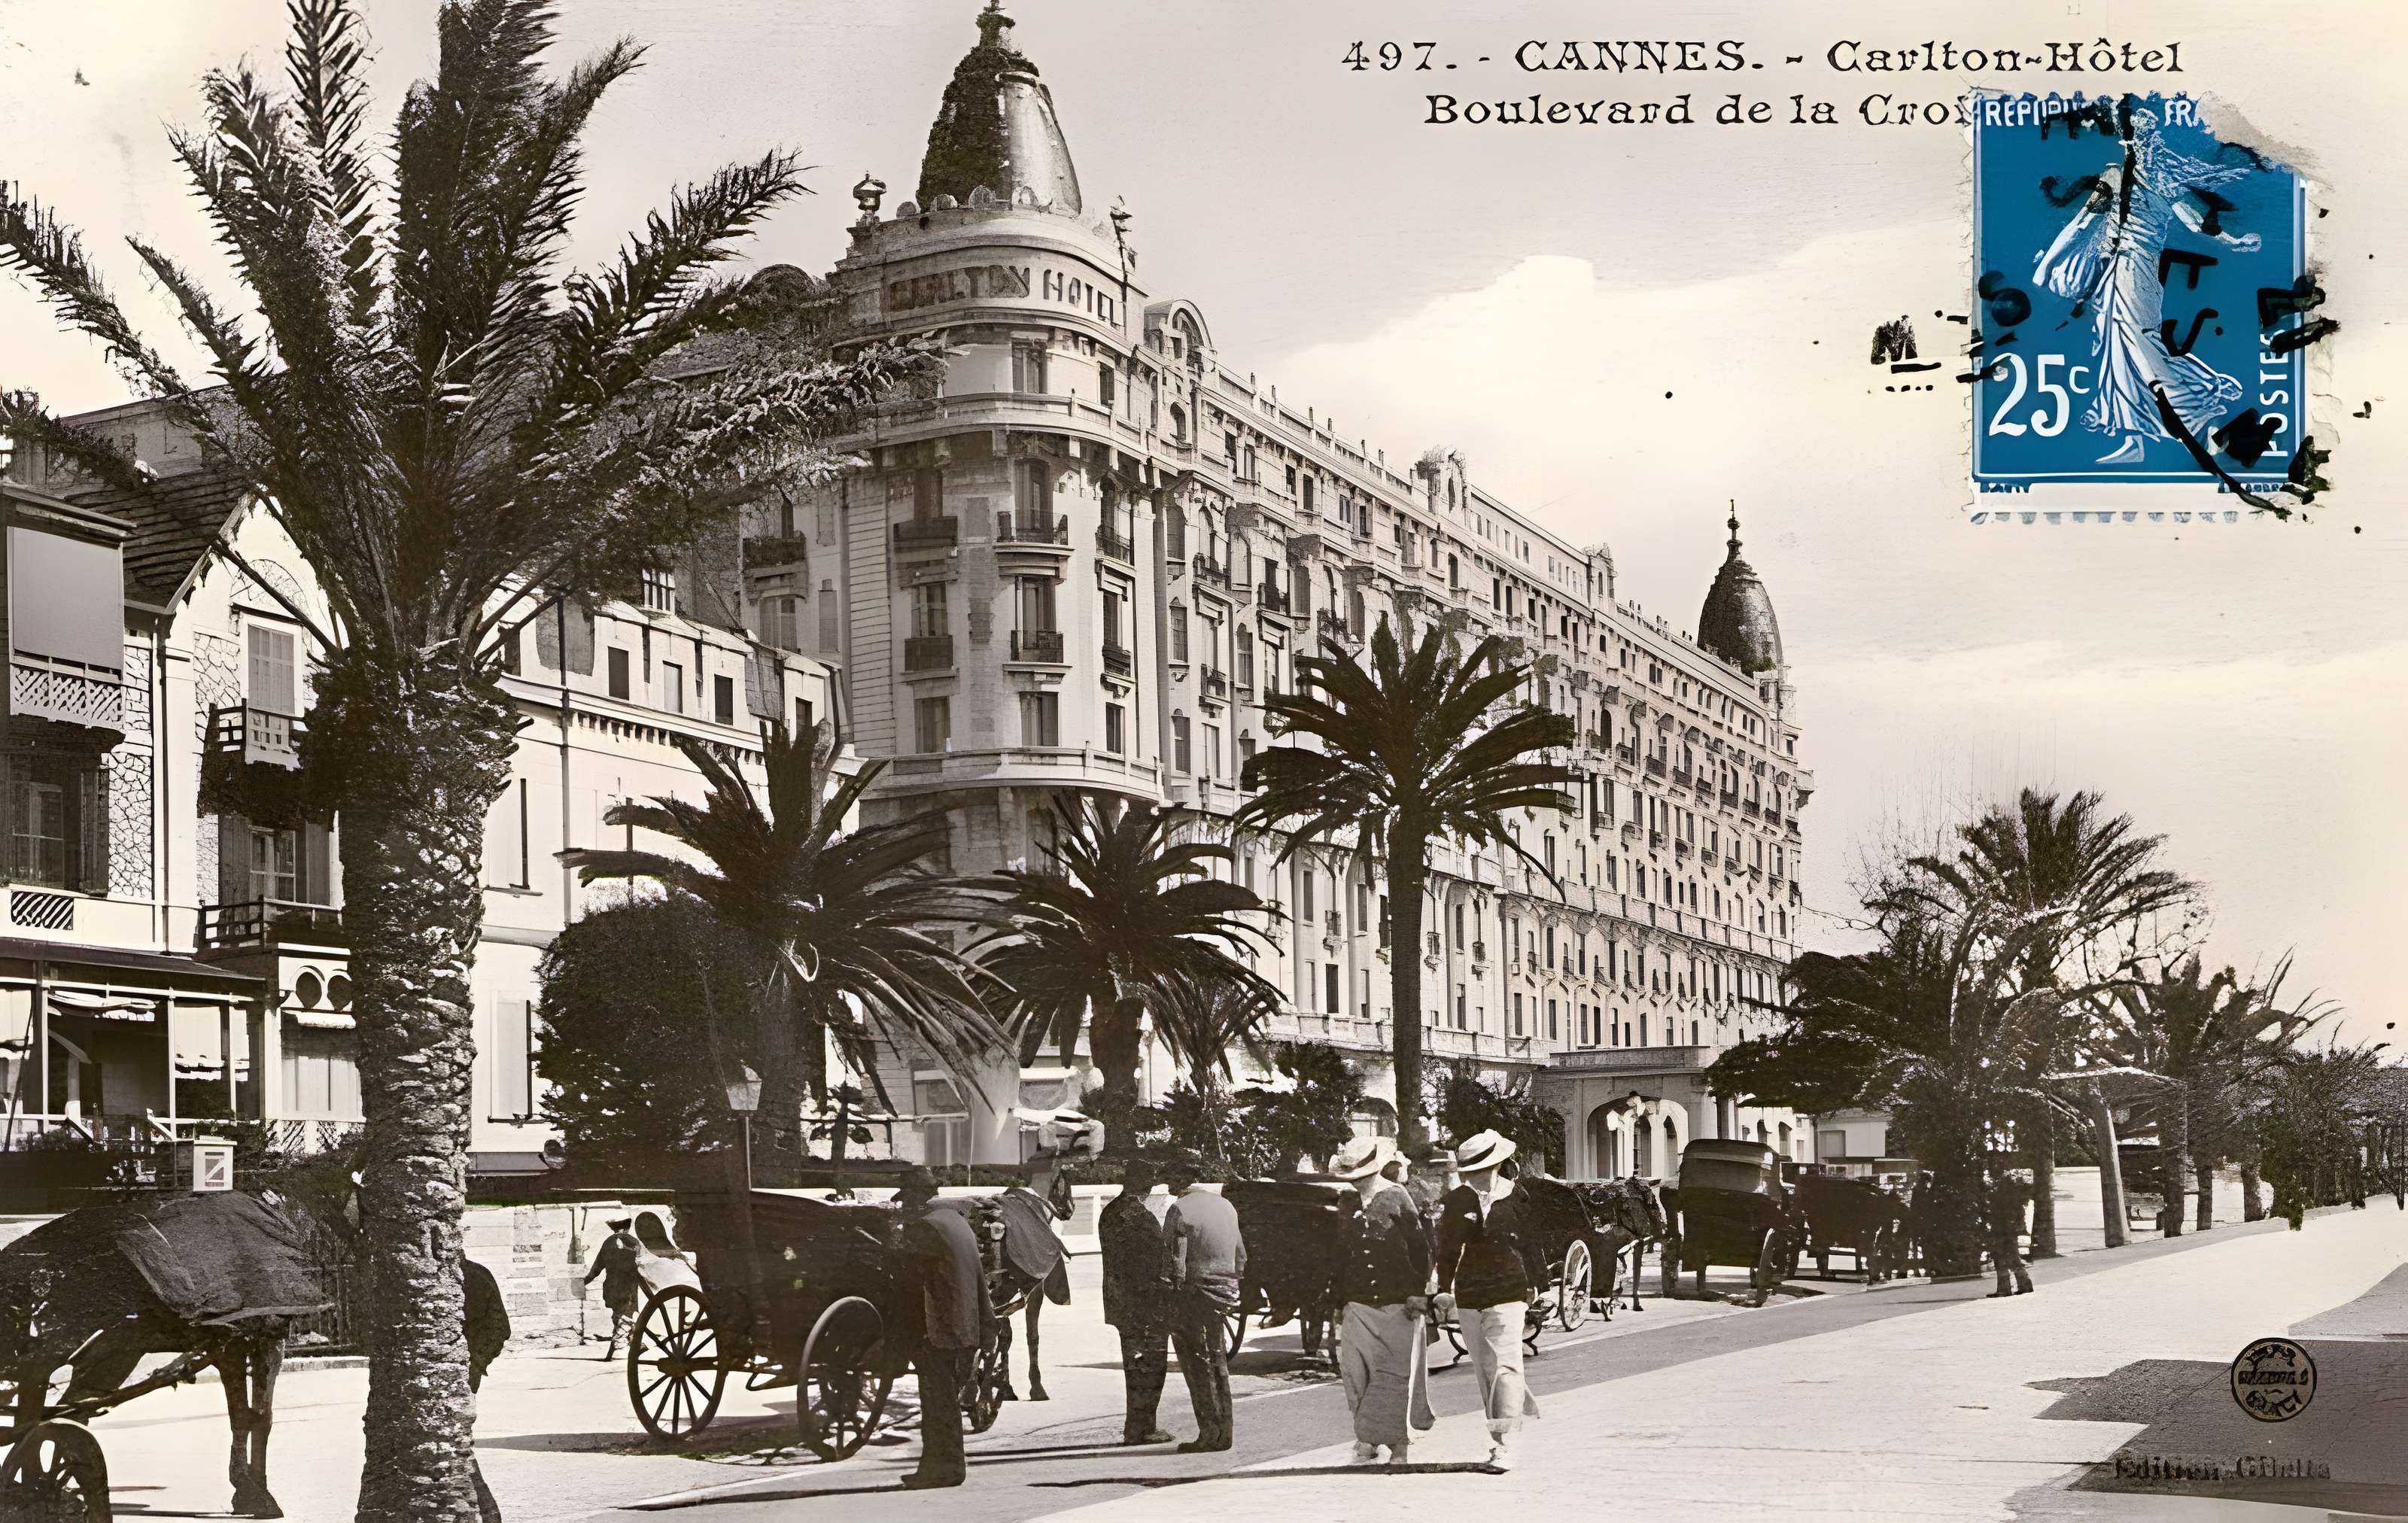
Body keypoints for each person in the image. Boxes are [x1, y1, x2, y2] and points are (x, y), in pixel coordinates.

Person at [1433, 1131, 1546, 1470]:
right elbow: (1448, 1249)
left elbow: (1530, 1243)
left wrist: (1543, 1284)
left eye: (1481, 1167)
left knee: (1506, 1365)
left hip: (1510, 1289)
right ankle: (1506, 1421)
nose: (1476, 1175)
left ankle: (1504, 1441)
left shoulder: (1518, 1197)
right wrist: (1442, 1287)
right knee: (1486, 1371)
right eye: (1470, 1170)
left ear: (1496, 1164)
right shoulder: (1457, 1201)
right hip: (1469, 1292)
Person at [1331, 1136, 1434, 1465]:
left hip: (1396, 1302)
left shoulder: (1397, 1196)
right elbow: (1339, 1255)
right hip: (1356, 1302)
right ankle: (1366, 1436)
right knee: (1355, 1372)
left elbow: (1421, 1248)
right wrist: (1338, 1302)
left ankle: (1398, 1443)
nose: (1355, 1179)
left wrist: (1418, 1294)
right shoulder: (1347, 1202)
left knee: (1392, 1375)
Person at [896, 1166, 992, 1488]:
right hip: (963, 1323)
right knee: (944, 1400)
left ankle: (942, 1470)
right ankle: (945, 1468)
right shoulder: (954, 1220)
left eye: (905, 1200)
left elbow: (908, 1278)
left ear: (914, 1198)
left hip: (940, 1329)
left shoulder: (925, 1228)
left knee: (937, 1403)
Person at [1161, 1151, 1244, 1453]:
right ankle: (1225, 1433)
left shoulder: (1178, 1210)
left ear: (1180, 1181)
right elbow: (1241, 1257)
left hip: (1192, 1297)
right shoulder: (1226, 1207)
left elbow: (1173, 1263)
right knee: (1218, 1362)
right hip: (1224, 1295)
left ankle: (1209, 1434)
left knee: (1198, 1367)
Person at [1099, 1156, 1174, 1445]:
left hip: (1121, 1304)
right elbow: (1155, 1263)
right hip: (1146, 1306)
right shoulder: (1139, 1216)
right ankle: (1145, 1428)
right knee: (1152, 1368)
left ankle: (1136, 1427)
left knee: (1135, 1368)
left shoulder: (1111, 1211)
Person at [465, 1256, 511, 1523]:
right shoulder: (477, 1273)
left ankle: (488, 1514)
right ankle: (489, 1514)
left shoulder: (474, 1276)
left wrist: (474, 1363)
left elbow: (499, 1328)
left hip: (461, 1373)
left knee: (459, 1448)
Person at [583, 1217, 643, 1357]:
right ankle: (620, 1346)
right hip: (628, 1284)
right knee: (626, 1314)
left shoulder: (608, 1243)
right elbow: (642, 1265)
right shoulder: (634, 1242)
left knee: (619, 1313)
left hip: (611, 1285)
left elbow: (597, 1267)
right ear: (627, 1227)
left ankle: (630, 1343)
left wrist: (585, 1281)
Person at [1984, 1166, 2034, 1297]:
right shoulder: (2014, 1195)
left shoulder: (2001, 1194)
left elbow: (1998, 1212)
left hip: (2002, 1227)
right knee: (2013, 1256)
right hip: (2009, 1228)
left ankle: (2005, 1288)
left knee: (2000, 1256)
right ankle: (2025, 1284)